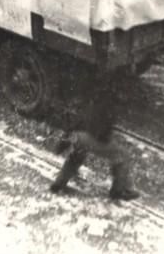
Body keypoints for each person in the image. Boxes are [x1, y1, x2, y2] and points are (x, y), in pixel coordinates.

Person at [50, 72, 140, 201]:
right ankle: (118, 190)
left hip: (79, 135)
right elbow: (102, 133)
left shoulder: (92, 99)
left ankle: (58, 184)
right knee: (121, 155)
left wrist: (63, 143)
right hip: (94, 138)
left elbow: (78, 121)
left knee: (76, 155)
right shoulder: (111, 104)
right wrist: (106, 137)